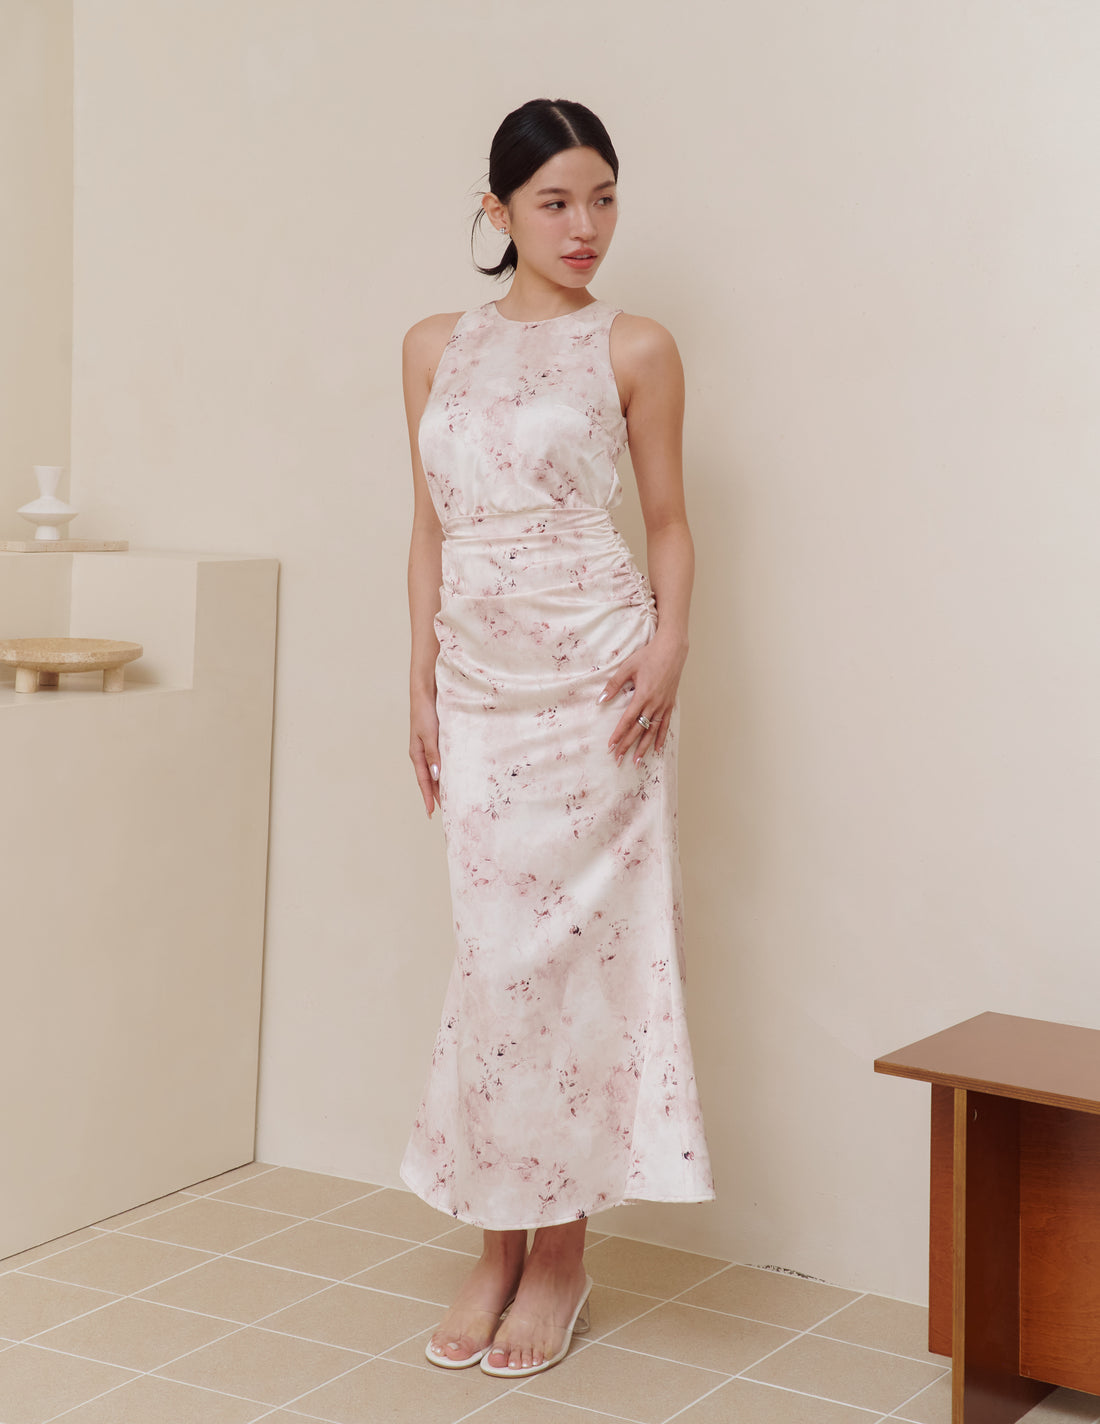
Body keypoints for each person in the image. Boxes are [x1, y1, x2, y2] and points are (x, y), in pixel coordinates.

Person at [400, 98, 714, 1379]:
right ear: (497, 210)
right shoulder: (433, 345)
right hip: (478, 686)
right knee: (493, 966)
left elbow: (669, 520)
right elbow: (426, 525)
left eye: (602, 197)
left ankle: (560, 1255)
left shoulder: (634, 345)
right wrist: (417, 680)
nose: (584, 225)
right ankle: (494, 1240)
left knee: (576, 967)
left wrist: (670, 646)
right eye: (553, 201)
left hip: (597, 684)